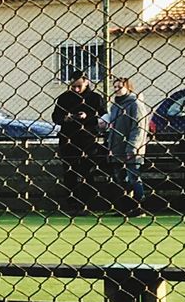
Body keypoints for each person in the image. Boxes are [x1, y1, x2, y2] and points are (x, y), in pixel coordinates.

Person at [51, 70, 105, 213]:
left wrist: (88, 117)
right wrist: (66, 118)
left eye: (79, 86)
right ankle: (73, 205)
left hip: (88, 140)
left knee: (88, 172)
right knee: (70, 174)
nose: (76, 89)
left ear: (86, 82)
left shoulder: (95, 98)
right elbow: (55, 117)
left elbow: (104, 117)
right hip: (68, 140)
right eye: (73, 86)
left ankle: (89, 203)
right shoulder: (64, 98)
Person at [107, 76, 151, 217]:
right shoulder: (115, 106)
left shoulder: (135, 104)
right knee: (120, 179)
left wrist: (132, 147)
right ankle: (125, 207)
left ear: (128, 87)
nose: (117, 90)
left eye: (120, 87)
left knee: (134, 177)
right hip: (116, 148)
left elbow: (139, 128)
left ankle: (139, 207)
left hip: (131, 148)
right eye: (115, 87)